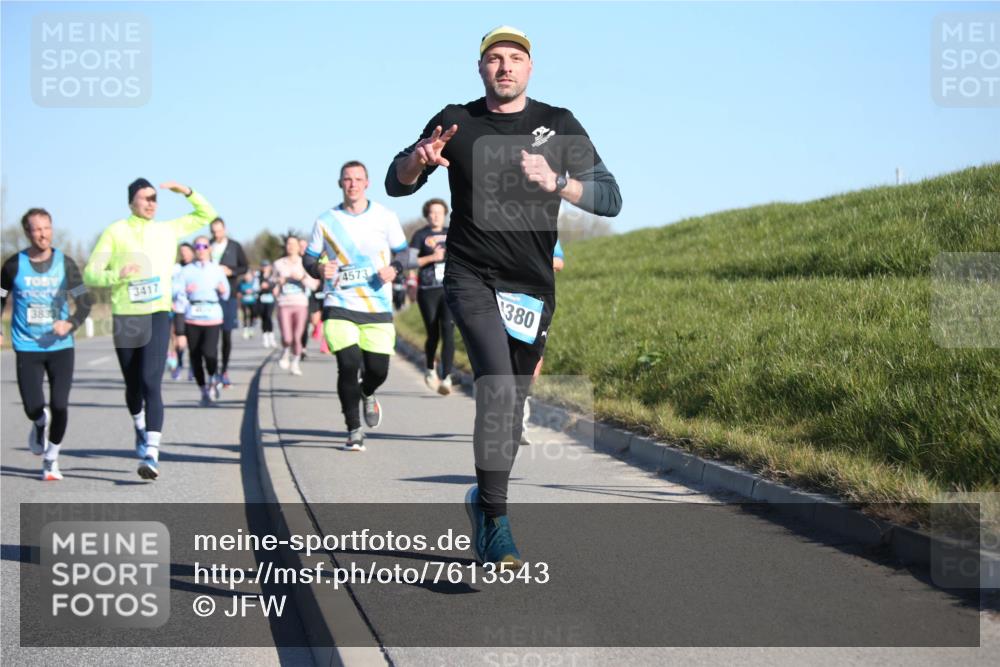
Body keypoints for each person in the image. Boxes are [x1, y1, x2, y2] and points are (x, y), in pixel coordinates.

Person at [385, 26, 621, 567]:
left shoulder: (559, 124)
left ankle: (481, 499)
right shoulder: (456, 120)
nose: (505, 67)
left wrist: (558, 182)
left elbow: (610, 199)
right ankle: (496, 521)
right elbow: (396, 182)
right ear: (480, 68)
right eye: (495, 59)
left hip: (532, 286)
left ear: (530, 68)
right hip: (471, 274)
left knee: (510, 411)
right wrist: (420, 159)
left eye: (515, 58)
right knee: (494, 384)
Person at [84, 179, 217, 480]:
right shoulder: (116, 232)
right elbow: (91, 272)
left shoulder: (167, 230)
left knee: (150, 381)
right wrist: (116, 275)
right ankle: (139, 424)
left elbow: (206, 215)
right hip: (127, 317)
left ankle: (152, 453)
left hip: (158, 313)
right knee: (133, 386)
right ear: (132, 201)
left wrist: (187, 192)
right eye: (145, 198)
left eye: (155, 198)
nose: (152, 203)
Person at [303, 160, 412, 452]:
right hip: (339, 303)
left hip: (377, 305)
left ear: (367, 183)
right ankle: (353, 430)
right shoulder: (325, 221)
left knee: (378, 370)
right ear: (340, 184)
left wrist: (396, 269)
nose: (352, 184)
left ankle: (368, 392)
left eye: (358, 179)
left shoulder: (385, 217)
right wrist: (318, 270)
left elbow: (404, 252)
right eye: (347, 179)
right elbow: (309, 259)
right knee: (348, 364)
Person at [1, 208, 92, 481]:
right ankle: (39, 423)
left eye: (47, 228)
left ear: (52, 229)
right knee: (33, 406)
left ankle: (51, 459)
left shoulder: (66, 264)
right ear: (27, 233)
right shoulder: (13, 265)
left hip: (60, 346)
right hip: (27, 344)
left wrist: (71, 323)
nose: (43, 234)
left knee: (60, 405)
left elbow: (85, 302)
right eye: (37, 229)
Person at [177, 236, 230, 405]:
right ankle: (203, 389)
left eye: (204, 246)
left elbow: (227, 293)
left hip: (212, 316)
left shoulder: (216, 270)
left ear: (209, 249)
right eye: (198, 246)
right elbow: (177, 295)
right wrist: (184, 291)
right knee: (195, 356)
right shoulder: (186, 271)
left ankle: (213, 379)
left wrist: (222, 290)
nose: (201, 249)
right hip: (192, 316)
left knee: (210, 353)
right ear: (194, 249)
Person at [521, 239, 565, 446]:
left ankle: (519, 414)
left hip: (538, 302)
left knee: (533, 363)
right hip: (507, 301)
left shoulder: (546, 228)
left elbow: (559, 262)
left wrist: (533, 262)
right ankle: (513, 419)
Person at [410, 197, 455, 395]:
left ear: (445, 214)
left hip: (450, 289)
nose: (436, 215)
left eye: (439, 212)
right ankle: (430, 369)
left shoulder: (453, 233)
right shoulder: (420, 235)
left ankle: (446, 377)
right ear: (427, 215)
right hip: (428, 289)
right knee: (433, 332)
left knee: (448, 330)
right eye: (432, 212)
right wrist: (431, 257)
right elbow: (410, 262)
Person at [209, 217, 248, 388]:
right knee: (212, 337)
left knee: (226, 335)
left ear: (224, 229)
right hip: (210, 296)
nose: (216, 234)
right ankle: (213, 372)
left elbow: (244, 267)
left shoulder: (234, 246)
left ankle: (223, 371)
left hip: (229, 296)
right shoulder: (207, 246)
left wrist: (230, 271)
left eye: (219, 230)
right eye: (213, 231)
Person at [273, 235, 318, 375]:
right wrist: (279, 281)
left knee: (297, 336)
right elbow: (272, 281)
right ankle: (286, 351)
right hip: (284, 303)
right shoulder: (279, 263)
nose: (291, 246)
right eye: (288, 244)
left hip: (300, 304)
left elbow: (315, 285)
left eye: (294, 244)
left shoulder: (305, 263)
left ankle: (295, 363)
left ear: (299, 247)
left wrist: (303, 278)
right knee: (287, 337)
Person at [169, 243, 195, 381]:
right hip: (179, 307)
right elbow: (169, 286)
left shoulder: (196, 267)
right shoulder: (176, 268)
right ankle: (179, 363)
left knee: (193, 340)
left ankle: (193, 366)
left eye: (186, 251)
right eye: (182, 251)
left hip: (194, 308)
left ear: (192, 252)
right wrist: (170, 301)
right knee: (180, 340)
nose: (184, 253)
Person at [257, 260, 277, 348]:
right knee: (263, 318)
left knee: (269, 317)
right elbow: (256, 287)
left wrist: (268, 286)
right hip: (261, 299)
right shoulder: (258, 276)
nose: (265, 268)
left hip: (270, 299)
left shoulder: (272, 276)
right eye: (263, 266)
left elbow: (275, 285)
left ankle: (271, 336)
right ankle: (265, 337)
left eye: (266, 266)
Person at [238, 269, 258, 339]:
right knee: (245, 315)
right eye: (246, 275)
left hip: (253, 301)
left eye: (248, 275)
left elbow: (258, 290)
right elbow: (238, 293)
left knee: (253, 315)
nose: (247, 277)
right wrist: (243, 293)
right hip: (244, 301)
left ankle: (251, 328)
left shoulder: (254, 283)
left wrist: (252, 291)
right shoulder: (241, 283)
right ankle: (245, 330)